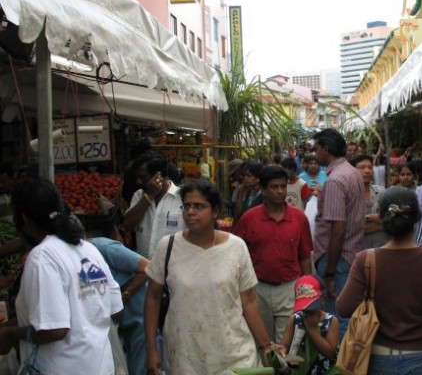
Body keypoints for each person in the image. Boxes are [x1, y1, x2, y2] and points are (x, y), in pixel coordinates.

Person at [144, 178, 275, 374]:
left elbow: (248, 302)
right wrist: (152, 349)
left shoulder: (236, 247)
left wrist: (266, 345)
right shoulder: (168, 246)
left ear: (215, 211)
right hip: (185, 354)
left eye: (198, 206)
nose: (190, 212)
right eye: (186, 206)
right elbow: (153, 297)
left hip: (233, 352)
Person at [0, 178, 123, 374]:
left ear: (23, 218)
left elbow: (54, 330)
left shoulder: (42, 256)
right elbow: (116, 311)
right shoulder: (88, 249)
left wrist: (10, 332)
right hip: (100, 366)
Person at [337, 186, 422, 375]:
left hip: (380, 359)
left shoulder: (366, 260)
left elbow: (344, 308)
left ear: (381, 218)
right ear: (416, 218)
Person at [233, 165, 313, 342]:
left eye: (283, 187)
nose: (280, 191)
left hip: (289, 289)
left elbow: (305, 256)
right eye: (274, 187)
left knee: (287, 344)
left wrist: (306, 291)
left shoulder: (299, 218)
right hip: (257, 288)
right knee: (263, 343)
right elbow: (236, 254)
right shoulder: (249, 218)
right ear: (263, 189)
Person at [312, 128, 366, 337]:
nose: (315, 155)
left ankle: (339, 364)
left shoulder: (335, 180)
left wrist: (331, 272)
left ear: (326, 149)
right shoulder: (351, 172)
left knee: (337, 317)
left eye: (317, 150)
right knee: (345, 315)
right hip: (350, 254)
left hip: (338, 258)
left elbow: (337, 231)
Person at [91, 234, 149, 375]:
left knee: (140, 364)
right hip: (116, 324)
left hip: (137, 318)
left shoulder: (104, 247)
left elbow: (148, 267)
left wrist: (124, 295)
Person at [123, 151, 186, 258]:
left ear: (159, 176)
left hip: (173, 269)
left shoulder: (182, 198)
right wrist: (148, 197)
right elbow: (127, 225)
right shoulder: (139, 196)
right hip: (145, 269)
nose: (138, 181)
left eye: (143, 177)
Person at [280, 275, 339, 374]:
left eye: (311, 307)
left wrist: (311, 329)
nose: (308, 311)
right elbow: (284, 348)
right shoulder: (294, 320)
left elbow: (330, 352)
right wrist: (278, 351)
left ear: (323, 300)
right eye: (305, 307)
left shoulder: (331, 321)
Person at [351, 154, 386, 249]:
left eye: (370, 167)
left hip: (381, 248)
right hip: (358, 251)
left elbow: (390, 221)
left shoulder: (381, 191)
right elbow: (351, 229)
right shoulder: (348, 195)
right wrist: (377, 221)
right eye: (362, 167)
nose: (367, 171)